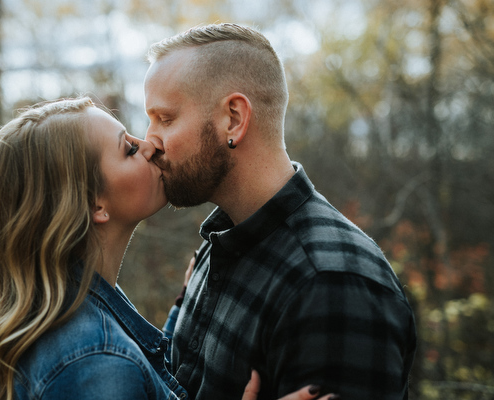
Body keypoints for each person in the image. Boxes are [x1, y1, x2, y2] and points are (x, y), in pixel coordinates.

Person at [0, 96, 336, 400]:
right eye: (128, 150)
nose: (150, 145)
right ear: (94, 205)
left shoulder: (76, 305)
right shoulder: (97, 362)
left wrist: (184, 304)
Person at [144, 23, 417, 400]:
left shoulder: (330, 286)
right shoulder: (218, 247)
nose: (149, 141)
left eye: (166, 118)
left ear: (234, 119)